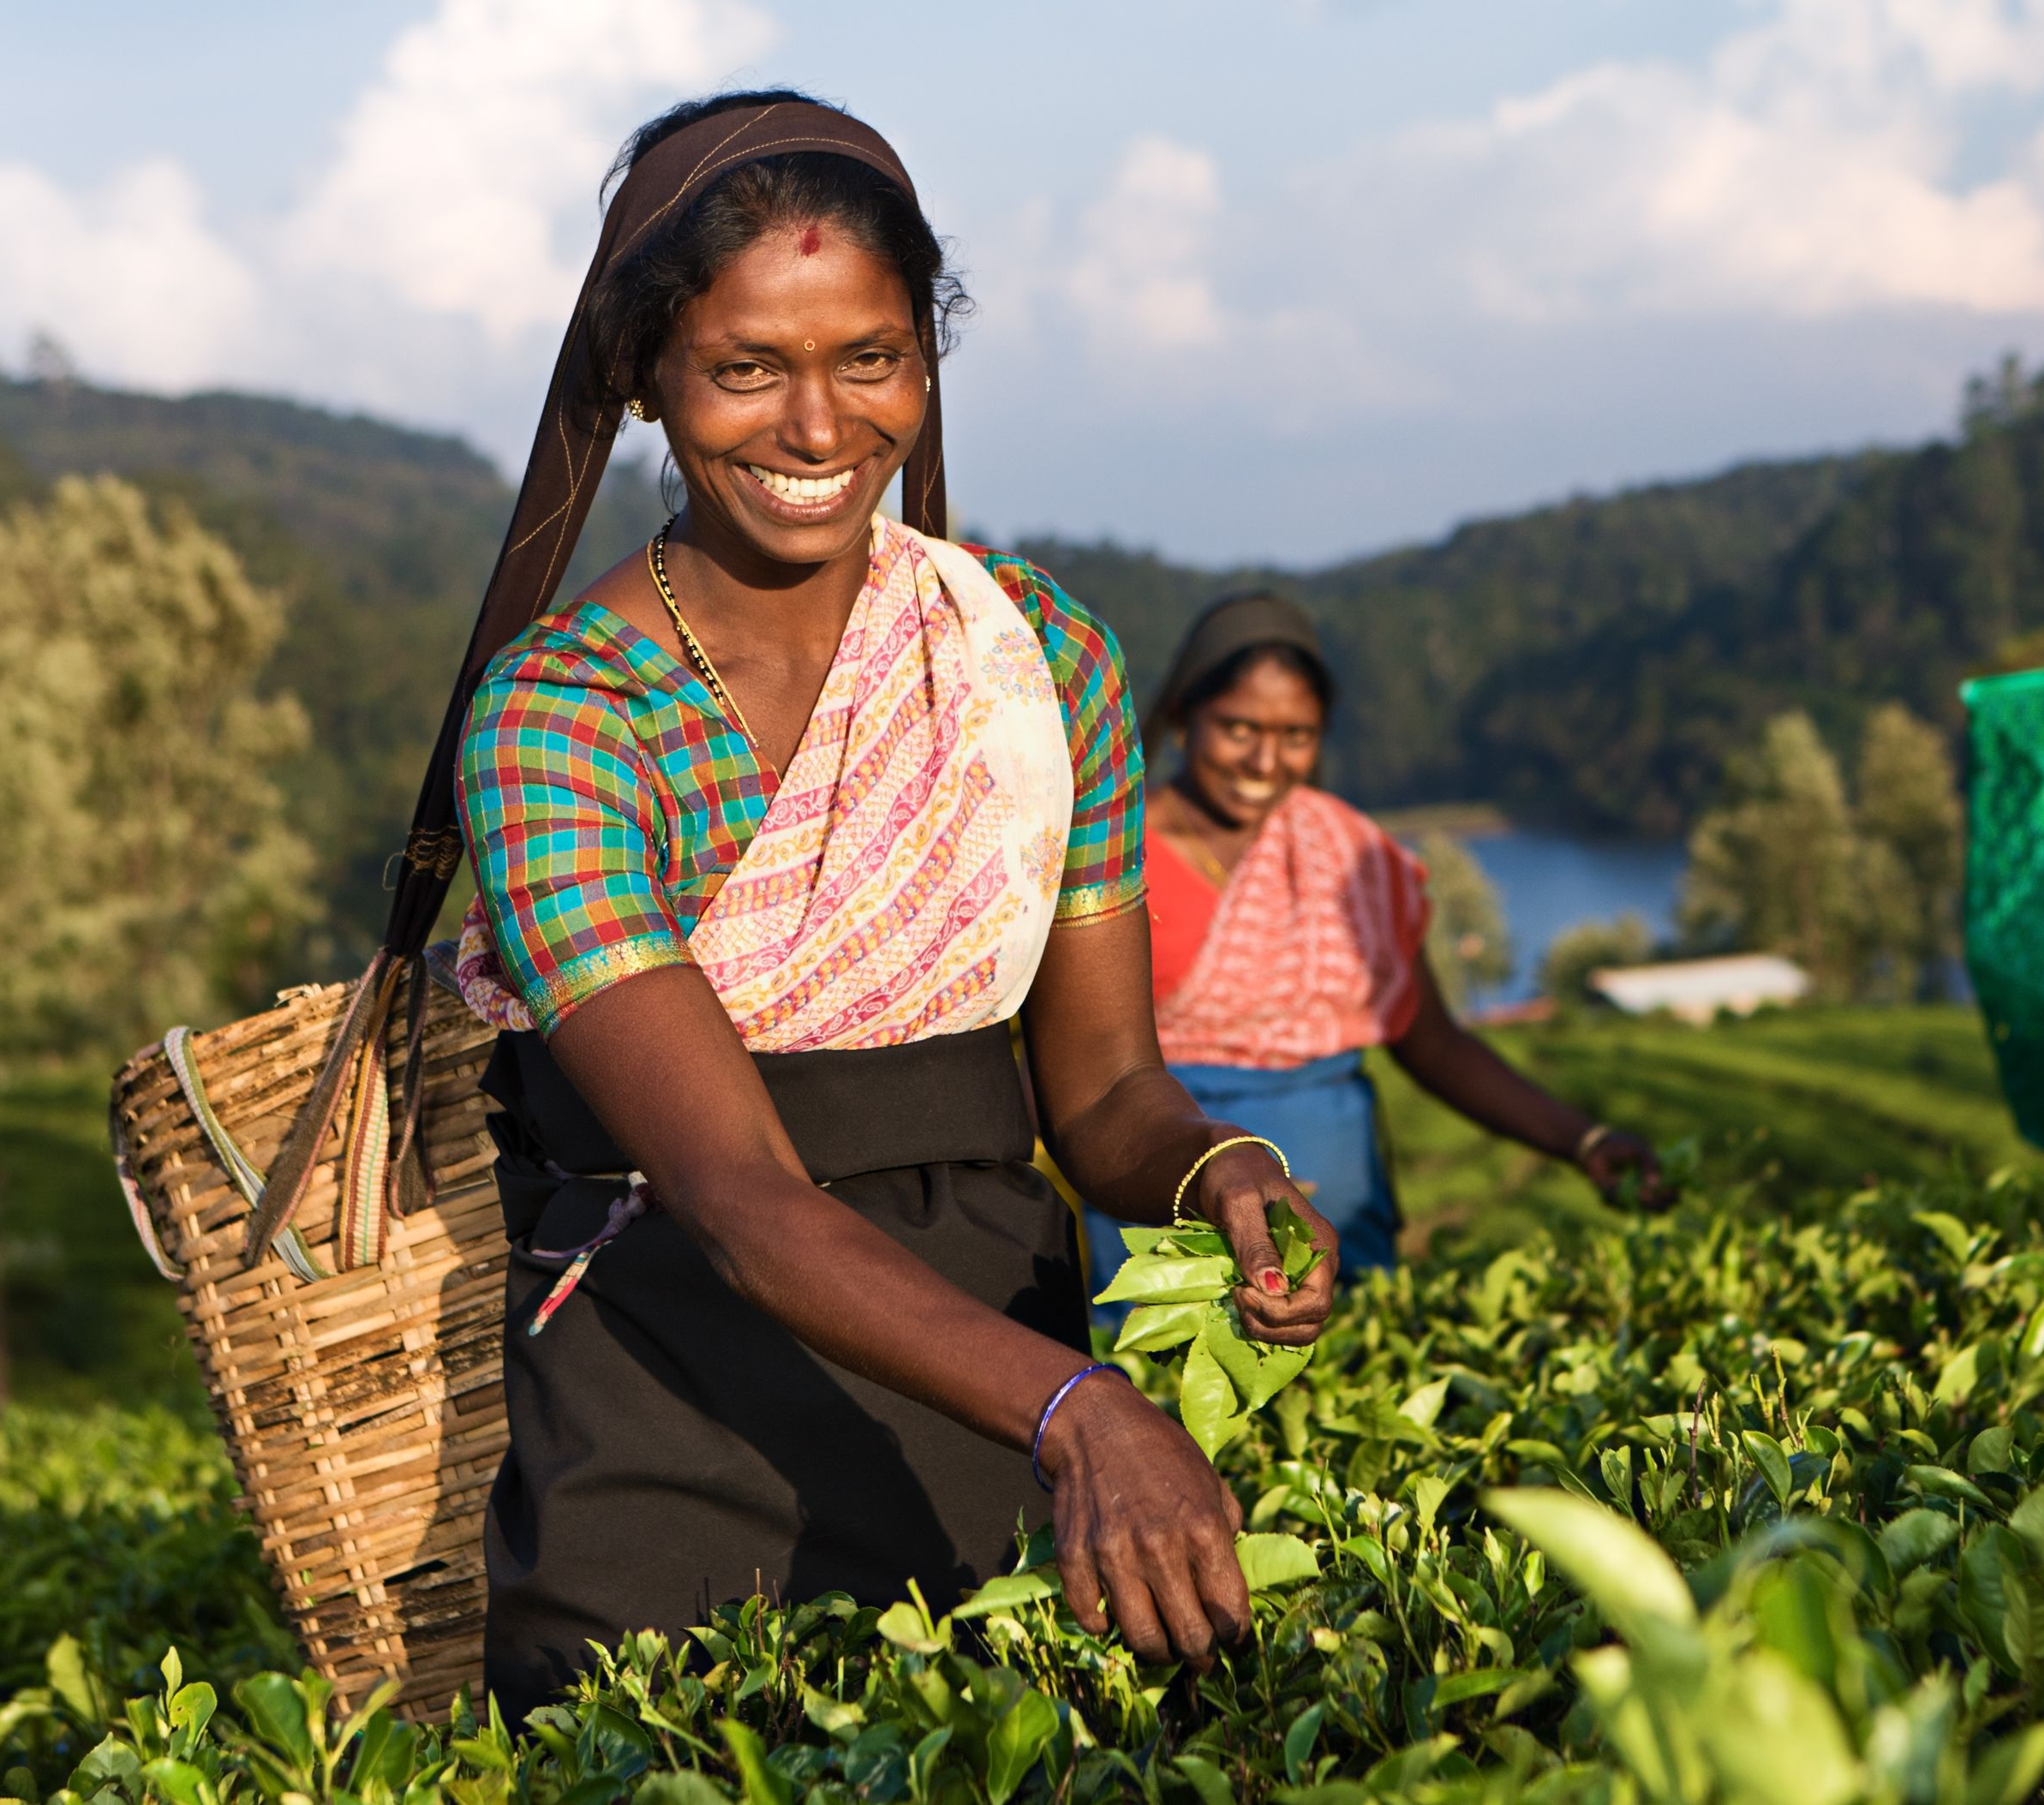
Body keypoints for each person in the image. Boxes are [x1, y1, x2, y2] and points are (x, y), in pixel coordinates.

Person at [440, 92, 1339, 1708]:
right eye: (744, 368)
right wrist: (1085, 1412)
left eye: (870, 358)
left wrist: (1228, 1170)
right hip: (676, 1421)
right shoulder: (569, 715)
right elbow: (734, 1192)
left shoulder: (1032, 656)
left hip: (998, 1423)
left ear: (926, 359)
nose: (816, 426)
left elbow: (1108, 1092)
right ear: (647, 374)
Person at [1085, 592, 1670, 1328]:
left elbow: (1433, 1042)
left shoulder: (1352, 857)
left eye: (1296, 735)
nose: (1266, 761)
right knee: (1165, 1409)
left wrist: (1580, 1140)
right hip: (1166, 1197)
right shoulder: (1109, 853)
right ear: (1181, 717)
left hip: (1337, 1202)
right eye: (1239, 728)